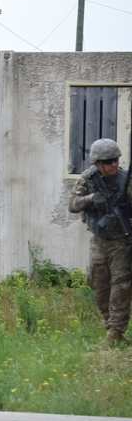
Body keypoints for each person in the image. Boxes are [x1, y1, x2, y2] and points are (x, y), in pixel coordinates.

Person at [69, 137, 132, 346]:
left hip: (121, 242)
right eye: (108, 161)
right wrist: (91, 198)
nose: (114, 164)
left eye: (115, 160)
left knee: (121, 286)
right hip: (99, 241)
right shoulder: (89, 179)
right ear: (97, 163)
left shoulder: (125, 181)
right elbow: (73, 205)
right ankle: (111, 329)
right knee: (99, 285)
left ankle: (115, 332)